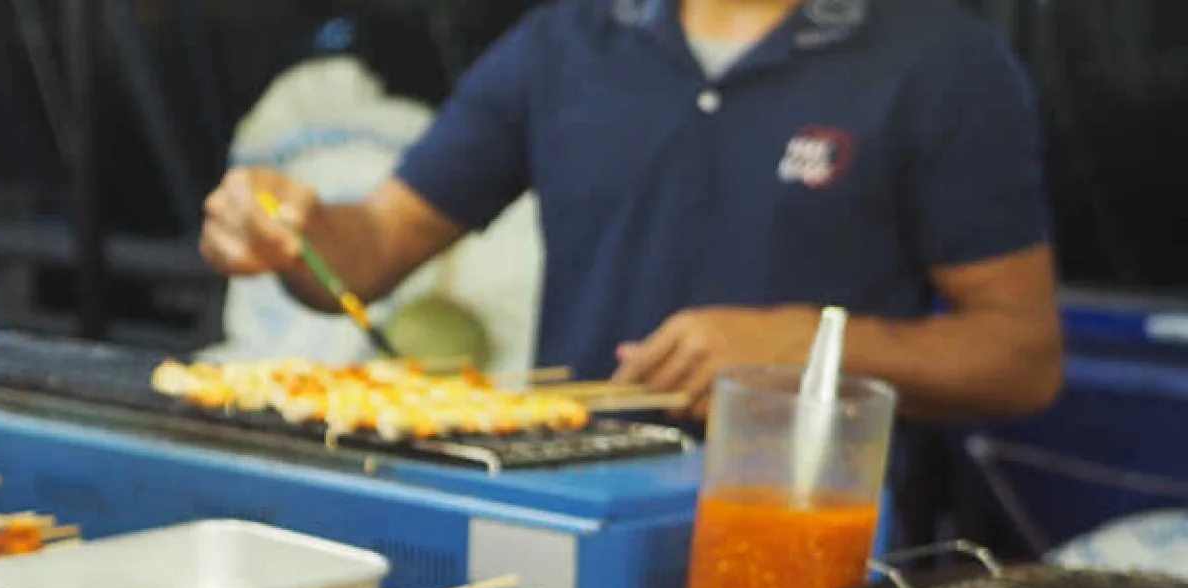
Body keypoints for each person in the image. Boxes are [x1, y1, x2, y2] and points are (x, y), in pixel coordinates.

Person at [200, 0, 1063, 424]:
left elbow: (1021, 356)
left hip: (817, 544)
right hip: (579, 509)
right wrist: (292, 230)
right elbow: (373, 246)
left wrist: (807, 343)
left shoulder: (942, 62)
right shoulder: (566, 43)